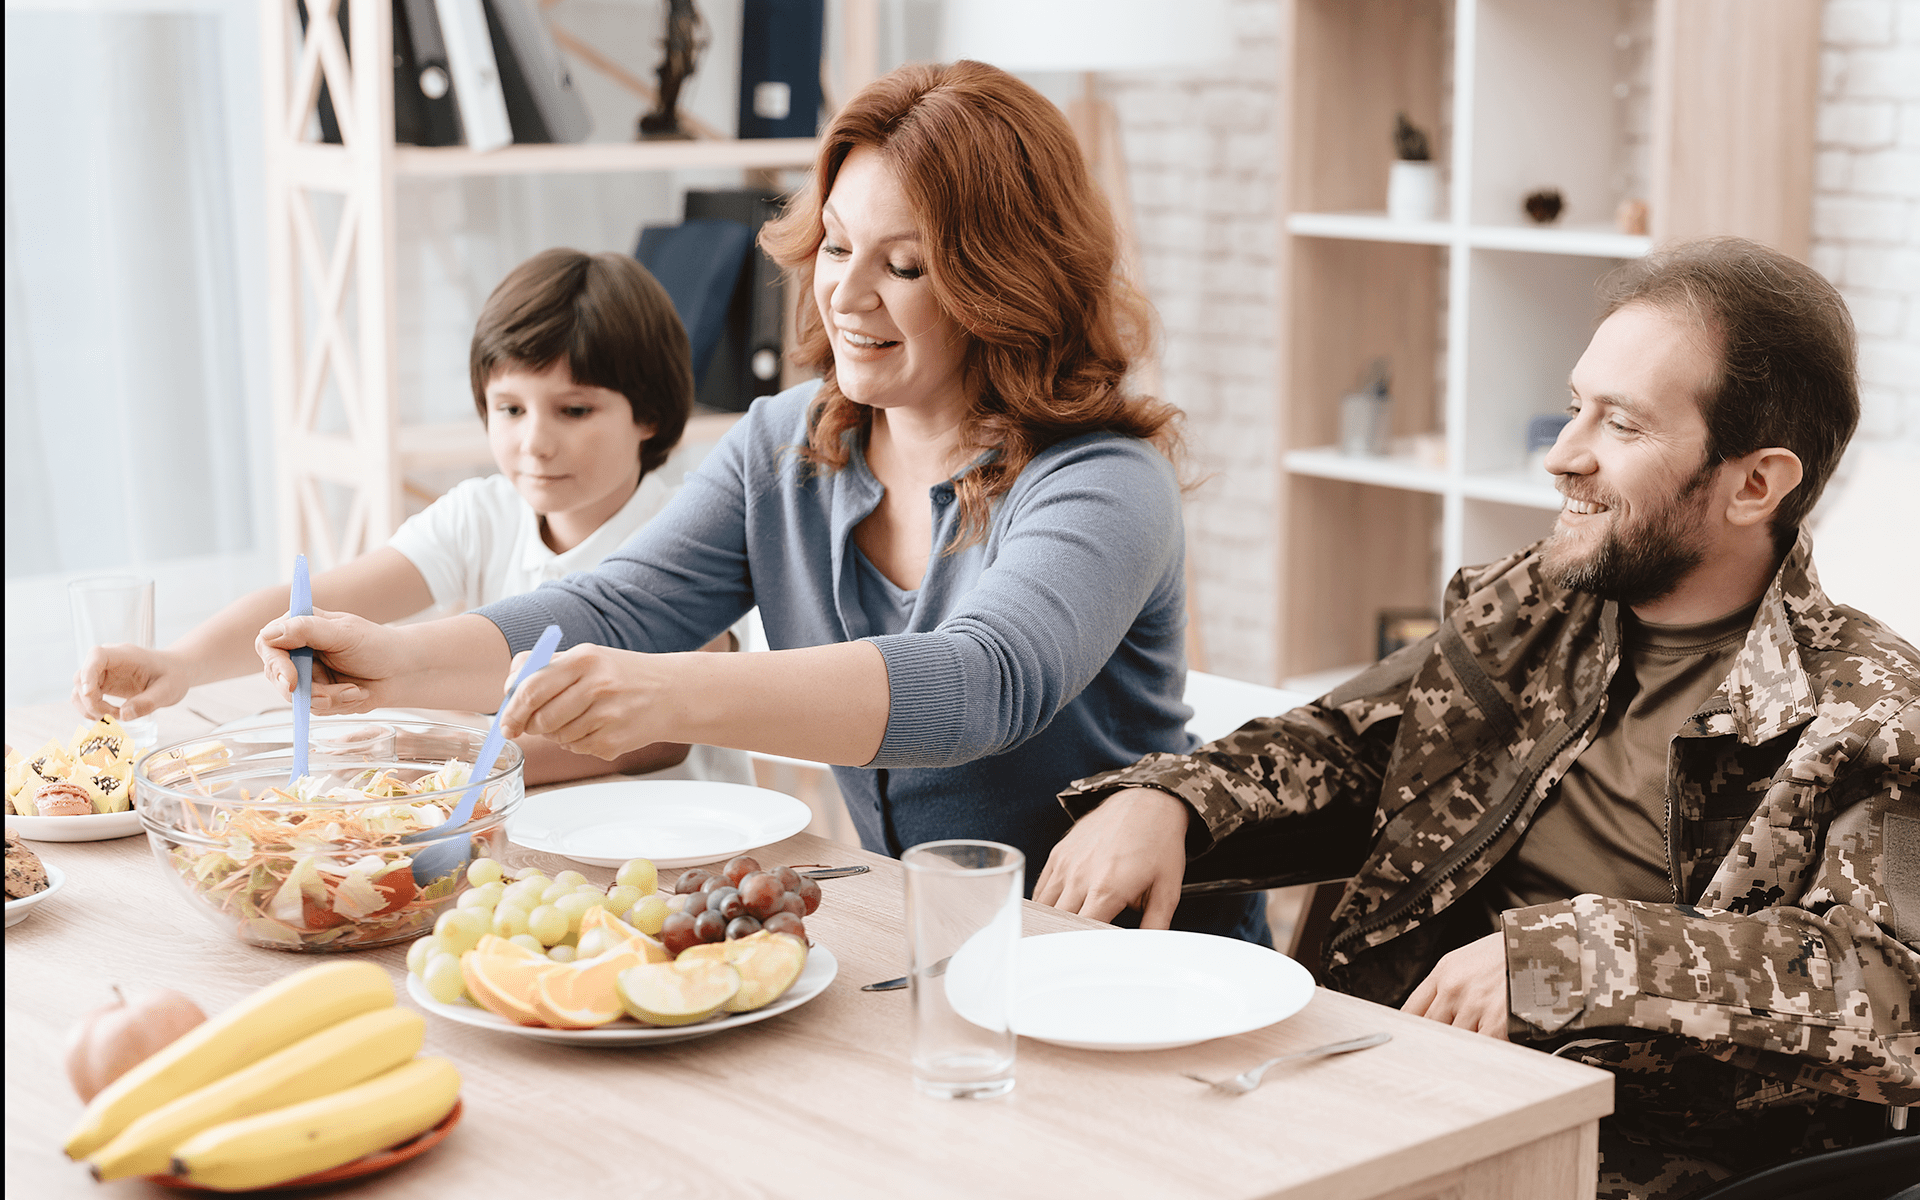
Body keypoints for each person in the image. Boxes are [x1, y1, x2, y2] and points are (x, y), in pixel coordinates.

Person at [251, 60, 1267, 943]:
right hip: (936, 940)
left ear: (1005, 282)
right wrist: (398, 661)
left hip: (1141, 965)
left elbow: (979, 684)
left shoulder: (1101, 481)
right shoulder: (786, 443)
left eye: (904, 265)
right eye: (835, 245)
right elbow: (618, 605)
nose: (847, 294)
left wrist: (671, 694)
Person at [1036, 238, 1918, 1199]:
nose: (1562, 455)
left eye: (1620, 424)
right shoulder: (1536, 601)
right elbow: (1348, 744)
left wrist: (1563, 958)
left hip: (1610, 1158)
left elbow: (1886, 990)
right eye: (1576, 404)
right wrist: (1171, 800)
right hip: (1378, 1081)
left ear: (1756, 484)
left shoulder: (1868, 712)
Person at [75, 248, 749, 787]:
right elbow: (323, 601)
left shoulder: (690, 529)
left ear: (650, 416)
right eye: (510, 409)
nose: (534, 442)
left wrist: (433, 748)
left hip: (675, 840)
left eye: (574, 411)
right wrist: (180, 662)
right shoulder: (483, 512)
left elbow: (656, 739)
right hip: (515, 821)